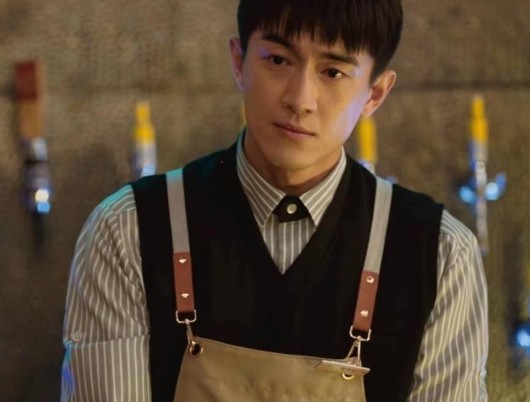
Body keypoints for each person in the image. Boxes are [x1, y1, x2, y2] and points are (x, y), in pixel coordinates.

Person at [61, 0, 488, 401]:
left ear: (375, 93)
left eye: (333, 72)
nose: (300, 100)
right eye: (278, 61)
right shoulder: (129, 230)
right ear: (238, 61)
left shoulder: (439, 254)